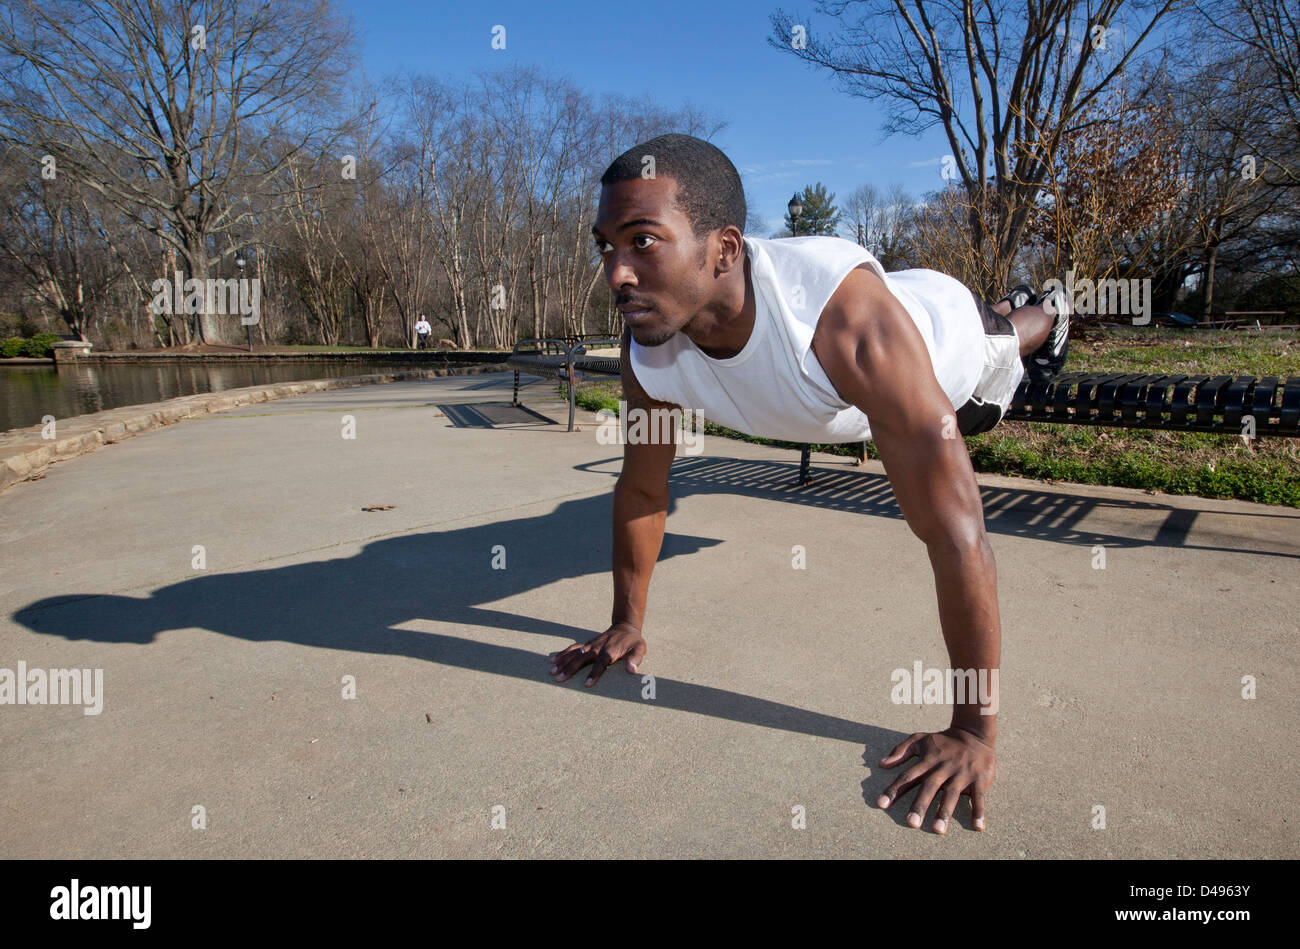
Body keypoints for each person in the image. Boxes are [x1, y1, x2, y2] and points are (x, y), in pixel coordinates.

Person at [548, 133, 1070, 837]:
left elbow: (957, 531)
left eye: (642, 242)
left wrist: (975, 731)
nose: (615, 273)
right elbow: (643, 490)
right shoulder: (650, 351)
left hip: (945, 338)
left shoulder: (846, 323)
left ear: (724, 250)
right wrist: (627, 621)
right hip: (867, 368)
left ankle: (1050, 313)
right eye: (605, 245)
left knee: (1007, 338)